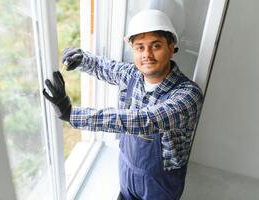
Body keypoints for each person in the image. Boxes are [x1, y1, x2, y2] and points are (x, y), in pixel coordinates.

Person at [43, 9, 203, 200]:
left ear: (171, 47)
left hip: (160, 183)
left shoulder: (187, 95)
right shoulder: (133, 75)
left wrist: (72, 114)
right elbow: (105, 67)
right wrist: (81, 58)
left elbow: (144, 121)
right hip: (127, 168)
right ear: (133, 50)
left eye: (156, 46)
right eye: (140, 47)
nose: (147, 55)